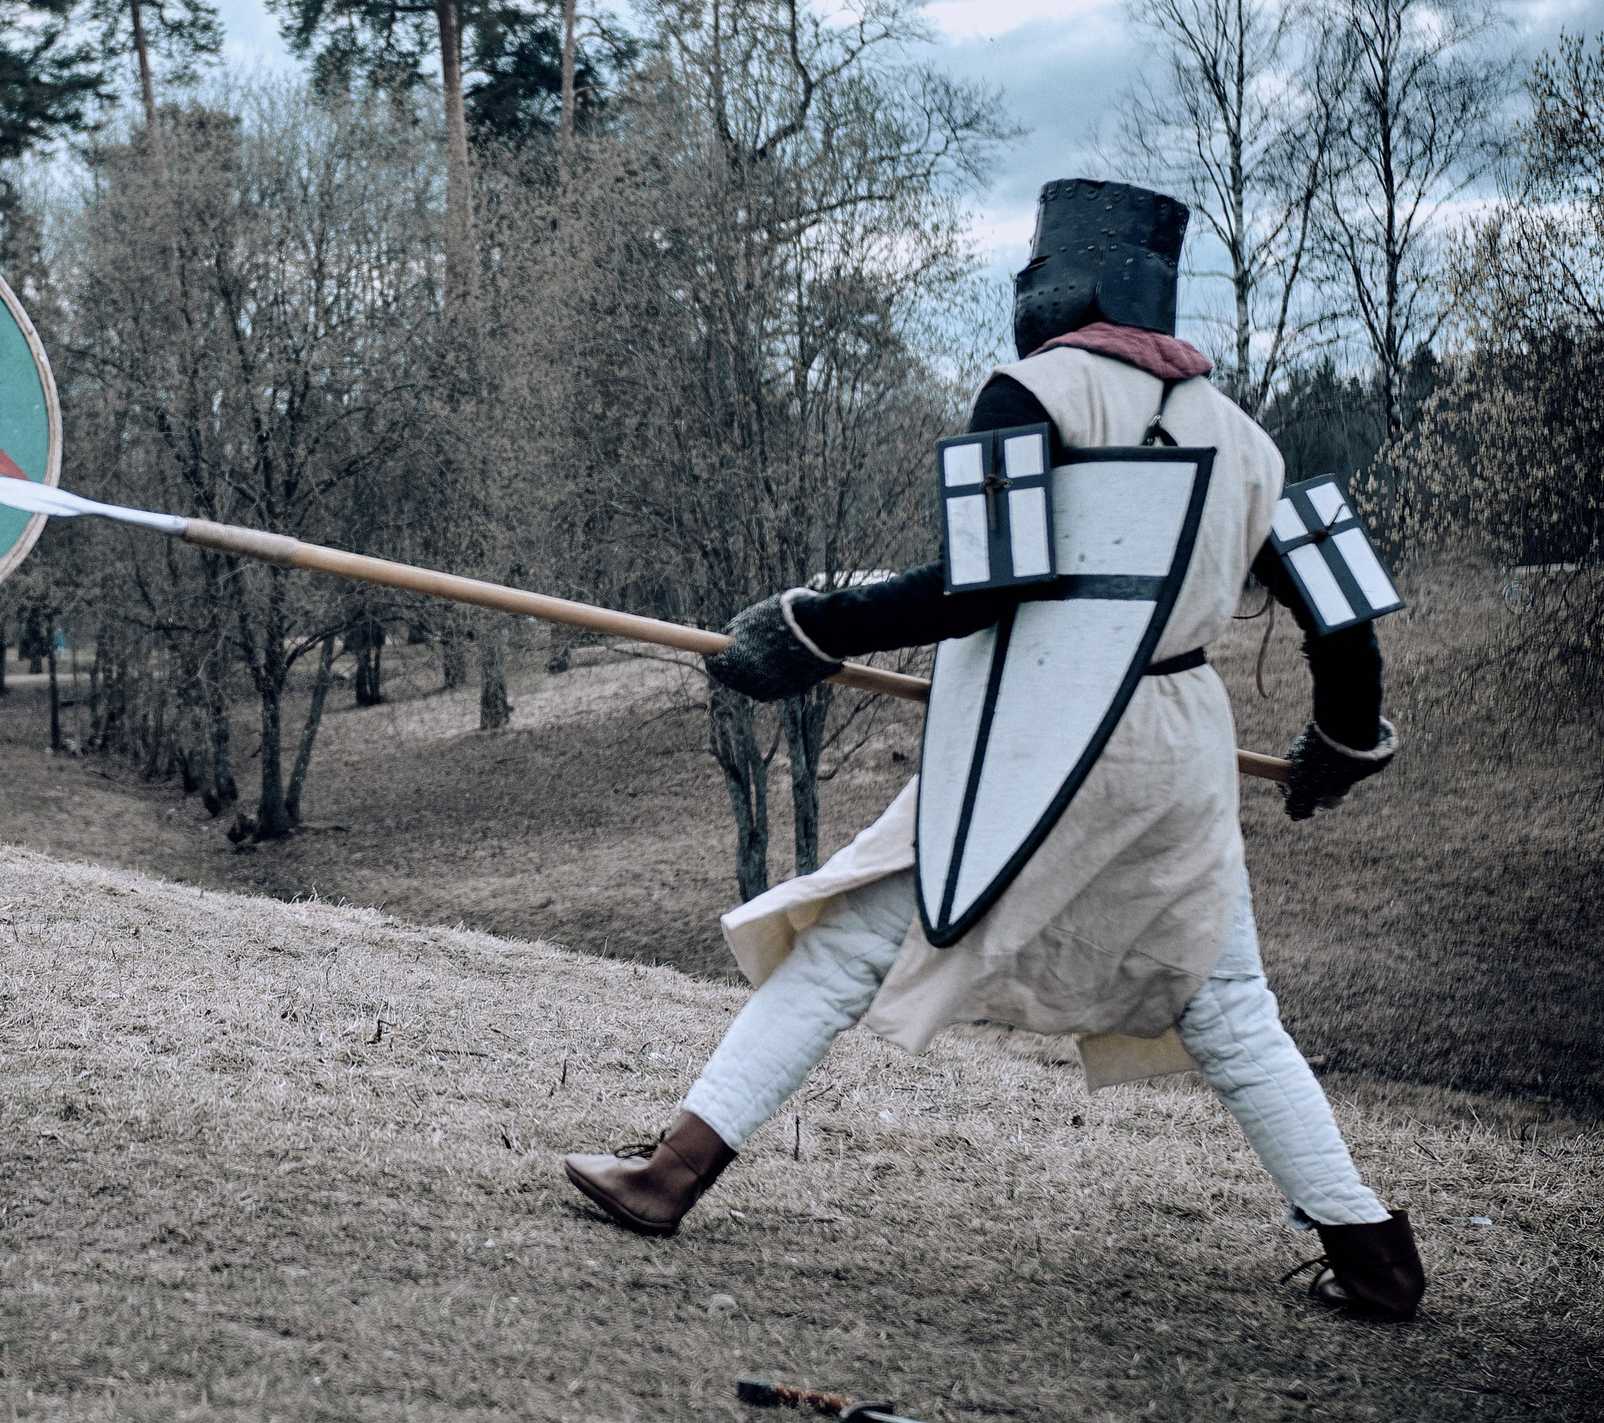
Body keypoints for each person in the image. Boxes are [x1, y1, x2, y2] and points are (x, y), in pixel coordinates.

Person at [562, 179, 1422, 1323]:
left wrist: (816, 631)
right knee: (1228, 1006)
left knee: (849, 939)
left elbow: (988, 578)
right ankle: (1373, 1255)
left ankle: (668, 1177)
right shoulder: (1245, 436)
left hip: (1042, 734)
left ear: (1058, 280)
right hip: (1177, 751)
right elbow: (1344, 620)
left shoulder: (1033, 389)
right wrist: (1342, 742)